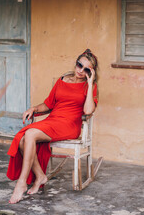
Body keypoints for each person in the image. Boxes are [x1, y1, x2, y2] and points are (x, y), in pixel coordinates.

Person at [7, 49, 98, 204]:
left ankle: (22, 182)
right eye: (79, 65)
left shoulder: (90, 87)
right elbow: (48, 104)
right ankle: (40, 176)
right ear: (76, 63)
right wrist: (34, 109)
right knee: (23, 139)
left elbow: (88, 110)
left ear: (91, 72)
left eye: (86, 69)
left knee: (29, 135)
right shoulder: (62, 80)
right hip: (53, 120)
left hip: (69, 125)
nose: (81, 71)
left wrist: (90, 84)